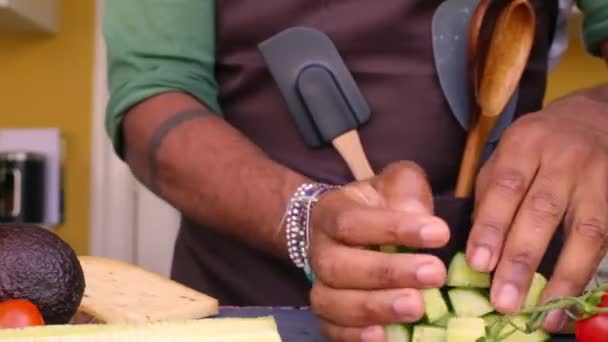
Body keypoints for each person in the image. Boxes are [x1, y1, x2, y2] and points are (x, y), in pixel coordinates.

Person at [103, 1, 608, 341]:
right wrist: (302, 218)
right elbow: (154, 94)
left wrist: (597, 114)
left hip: (508, 302)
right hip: (250, 298)